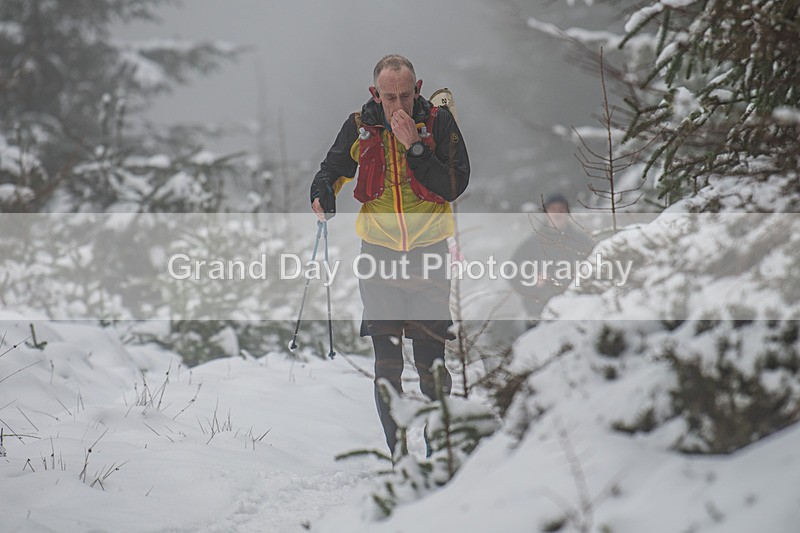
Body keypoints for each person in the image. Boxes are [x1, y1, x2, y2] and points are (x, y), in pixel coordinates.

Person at [310, 55, 470, 455]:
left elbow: (454, 185)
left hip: (429, 256)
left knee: (431, 365)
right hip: (378, 257)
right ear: (375, 94)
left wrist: (415, 147)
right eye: (389, 97)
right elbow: (332, 169)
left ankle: (439, 452)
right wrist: (322, 192)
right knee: (387, 366)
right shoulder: (360, 126)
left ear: (418, 90)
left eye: (405, 95)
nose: (399, 105)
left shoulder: (438, 123)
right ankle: (399, 457)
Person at [509, 193, 594, 318]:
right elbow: (512, 272)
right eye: (552, 210)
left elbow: (599, 269)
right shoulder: (531, 244)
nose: (557, 214)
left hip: (577, 312)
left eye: (561, 209)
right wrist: (532, 281)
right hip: (539, 313)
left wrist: (582, 276)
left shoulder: (582, 242)